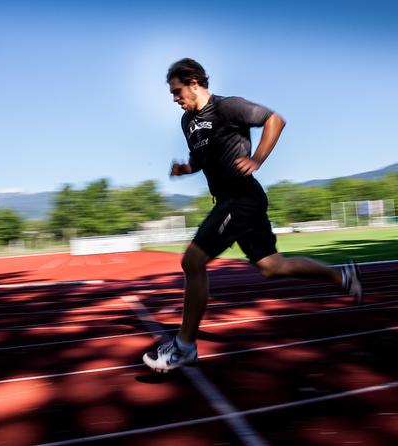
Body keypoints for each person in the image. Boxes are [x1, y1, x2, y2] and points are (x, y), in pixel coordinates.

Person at [143, 58, 362, 373]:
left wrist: (258, 158)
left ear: (193, 81)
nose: (175, 99)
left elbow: (275, 120)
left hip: (241, 197)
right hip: (233, 200)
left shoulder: (228, 107)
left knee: (192, 261)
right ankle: (343, 276)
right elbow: (201, 158)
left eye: (177, 91)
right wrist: (186, 169)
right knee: (273, 266)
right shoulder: (187, 123)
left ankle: (184, 347)